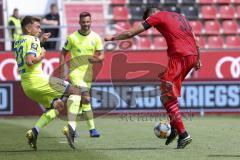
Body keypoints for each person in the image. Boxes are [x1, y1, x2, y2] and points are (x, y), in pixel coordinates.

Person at [105, 7, 201, 149]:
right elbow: (195, 39)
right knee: (166, 96)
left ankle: (183, 134)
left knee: (166, 97)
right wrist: (198, 59)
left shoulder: (157, 16)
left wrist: (111, 38)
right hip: (191, 56)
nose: (154, 28)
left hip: (180, 57)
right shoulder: (180, 16)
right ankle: (175, 127)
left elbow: (132, 32)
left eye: (151, 24)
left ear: (150, 16)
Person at [14, 16, 89, 150]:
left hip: (27, 86)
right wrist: (41, 56)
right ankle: (71, 128)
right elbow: (30, 60)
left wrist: (41, 42)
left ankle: (34, 131)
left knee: (56, 107)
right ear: (28, 28)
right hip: (39, 80)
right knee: (76, 92)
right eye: (37, 27)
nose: (40, 29)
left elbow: (28, 52)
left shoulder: (19, 40)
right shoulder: (33, 39)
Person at [60, 12, 104, 148]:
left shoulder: (96, 37)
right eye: (83, 22)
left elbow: (102, 55)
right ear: (79, 22)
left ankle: (75, 129)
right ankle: (92, 129)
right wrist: (62, 69)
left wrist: (96, 59)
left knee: (83, 102)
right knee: (86, 98)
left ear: (91, 22)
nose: (86, 24)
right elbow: (63, 53)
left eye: (88, 22)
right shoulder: (72, 37)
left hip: (88, 75)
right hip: (75, 74)